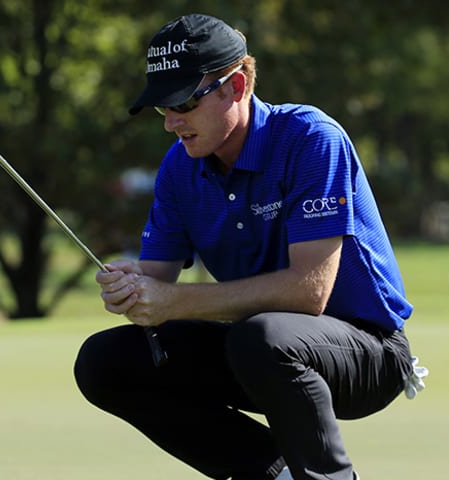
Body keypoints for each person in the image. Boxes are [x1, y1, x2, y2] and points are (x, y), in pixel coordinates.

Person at [74, 13, 426, 480]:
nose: (171, 122)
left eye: (182, 101)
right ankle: (275, 475)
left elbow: (308, 293)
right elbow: (156, 280)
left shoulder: (309, 138)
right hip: (261, 351)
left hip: (367, 354)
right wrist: (131, 285)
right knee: (106, 362)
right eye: (163, 108)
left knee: (260, 338)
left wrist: (172, 302)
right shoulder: (180, 167)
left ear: (235, 86)